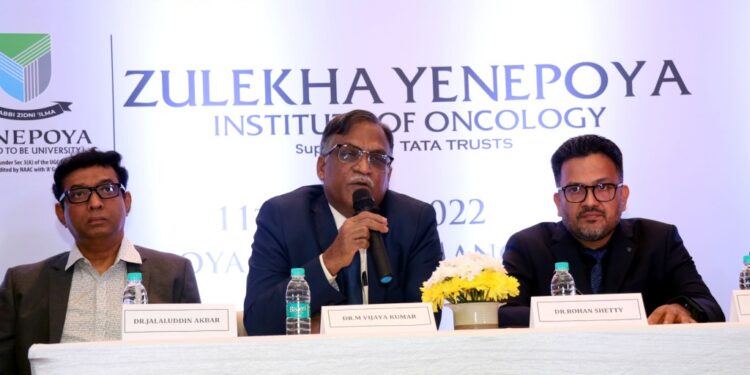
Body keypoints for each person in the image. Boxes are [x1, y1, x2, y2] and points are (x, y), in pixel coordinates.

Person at [0, 148, 201, 375]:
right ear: (60, 213)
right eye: (78, 194)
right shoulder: (23, 285)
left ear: (127, 202)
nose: (95, 203)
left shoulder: (173, 273)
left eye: (107, 189)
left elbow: (192, 361)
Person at [244, 109, 443, 335]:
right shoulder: (282, 216)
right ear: (321, 167)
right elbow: (259, 321)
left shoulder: (415, 219)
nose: (364, 168)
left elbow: (426, 319)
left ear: (389, 173)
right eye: (349, 154)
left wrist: (323, 327)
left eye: (378, 159)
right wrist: (330, 261)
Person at [499, 134, 724, 326]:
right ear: (559, 202)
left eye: (602, 187)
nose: (590, 201)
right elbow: (503, 315)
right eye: (575, 189)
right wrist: (579, 316)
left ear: (623, 197)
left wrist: (682, 309)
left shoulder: (659, 240)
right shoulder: (528, 246)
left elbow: (709, 307)